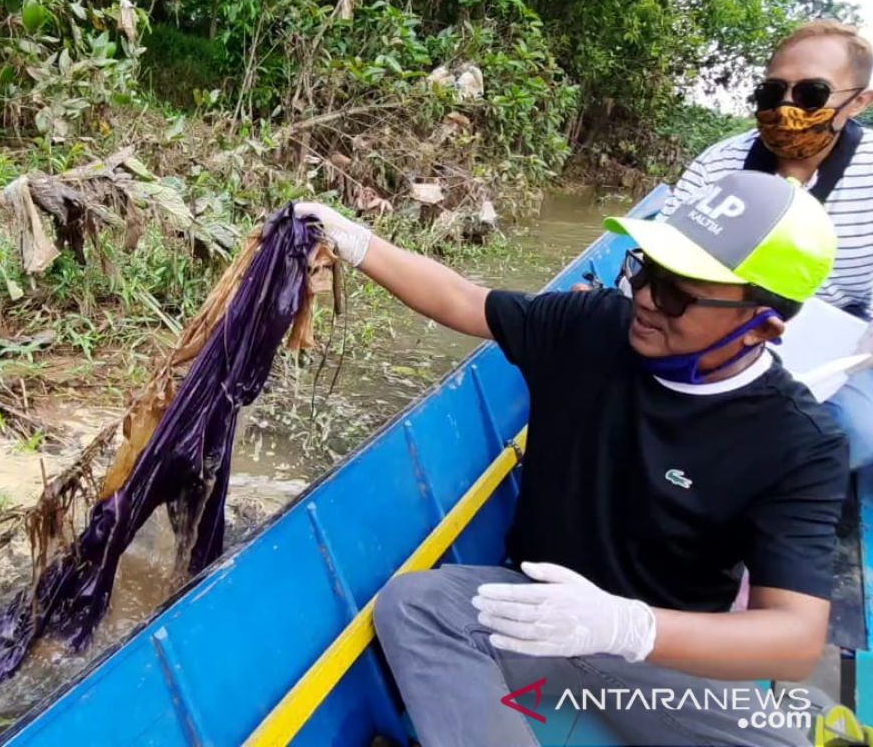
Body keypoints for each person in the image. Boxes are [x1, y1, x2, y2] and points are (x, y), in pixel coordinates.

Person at [295, 169, 848, 746]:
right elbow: (464, 300)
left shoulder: (798, 442)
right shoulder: (593, 326)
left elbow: (793, 638)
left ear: (762, 325)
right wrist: (355, 241)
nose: (646, 299)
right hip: (530, 609)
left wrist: (625, 625)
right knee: (418, 605)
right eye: (646, 269)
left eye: (679, 294)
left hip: (660, 647)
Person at [660, 20, 873, 473]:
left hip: (841, 347)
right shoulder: (721, 162)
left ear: (858, 102)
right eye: (772, 93)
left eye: (811, 94)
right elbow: (665, 249)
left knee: (851, 431)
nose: (786, 108)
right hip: (710, 319)